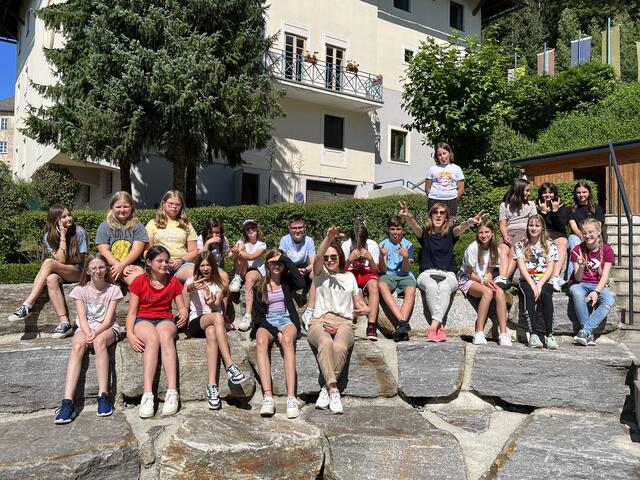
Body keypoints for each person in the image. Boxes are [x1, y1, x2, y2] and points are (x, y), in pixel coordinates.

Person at [54, 254, 124, 424]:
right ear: (87, 271)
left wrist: (96, 333)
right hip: (85, 328)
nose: (98, 271)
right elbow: (82, 317)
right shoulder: (80, 290)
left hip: (107, 328)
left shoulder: (113, 290)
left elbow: (108, 320)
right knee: (77, 346)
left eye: (101, 267)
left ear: (106, 269)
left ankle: (103, 395)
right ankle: (67, 402)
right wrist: (87, 333)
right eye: (94, 268)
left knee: (99, 342)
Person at [401, 201, 486, 342]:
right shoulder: (424, 233)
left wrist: (470, 222)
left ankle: (433, 327)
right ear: (431, 216)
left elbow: (460, 228)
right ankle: (439, 327)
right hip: (427, 274)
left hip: (448, 274)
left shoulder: (451, 233)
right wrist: (408, 217)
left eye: (442, 213)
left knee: (445, 287)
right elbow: (415, 226)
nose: (438, 215)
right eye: (435, 212)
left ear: (446, 217)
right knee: (431, 286)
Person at [307, 226, 370, 414]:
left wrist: (365, 309)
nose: (329, 260)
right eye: (327, 257)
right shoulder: (321, 274)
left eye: (333, 257)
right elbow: (318, 257)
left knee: (340, 347)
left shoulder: (349, 277)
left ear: (340, 257)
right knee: (326, 343)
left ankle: (326, 388)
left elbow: (359, 302)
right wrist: (328, 238)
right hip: (320, 321)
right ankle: (334, 390)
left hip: (344, 322)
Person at [126, 245, 188, 418]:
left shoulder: (172, 281)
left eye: (166, 261)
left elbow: (182, 307)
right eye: (160, 261)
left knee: (165, 336)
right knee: (152, 339)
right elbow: (132, 312)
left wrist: (184, 313)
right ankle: (147, 395)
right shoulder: (139, 281)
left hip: (165, 319)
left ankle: (172, 392)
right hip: (143, 319)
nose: (164, 264)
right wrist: (130, 334)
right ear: (149, 262)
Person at [8, 204, 88, 338]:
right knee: (51, 279)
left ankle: (27, 304)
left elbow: (77, 259)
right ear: (55, 220)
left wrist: (63, 236)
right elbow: (61, 260)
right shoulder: (48, 236)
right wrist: (62, 236)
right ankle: (65, 323)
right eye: (64, 217)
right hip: (63, 272)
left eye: (69, 215)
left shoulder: (79, 231)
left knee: (48, 262)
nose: (69, 218)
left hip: (78, 271)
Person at [185, 251, 246, 410]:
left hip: (211, 325)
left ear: (213, 266)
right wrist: (192, 288)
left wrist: (210, 301)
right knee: (217, 317)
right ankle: (230, 365)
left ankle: (212, 387)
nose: (205, 268)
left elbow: (216, 304)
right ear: (198, 267)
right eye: (202, 265)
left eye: (208, 265)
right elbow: (188, 291)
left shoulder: (218, 284)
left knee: (212, 332)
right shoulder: (192, 281)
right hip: (196, 323)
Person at [252, 249, 305, 418]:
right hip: (268, 321)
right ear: (267, 265)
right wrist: (276, 332)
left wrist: (284, 259)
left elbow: (302, 283)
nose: (277, 266)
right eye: (273, 263)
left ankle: (291, 397)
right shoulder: (260, 286)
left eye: (280, 263)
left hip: (286, 319)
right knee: (261, 340)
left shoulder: (287, 281)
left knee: (287, 340)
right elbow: (258, 317)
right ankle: (268, 397)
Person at [458, 219, 511, 346]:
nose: (484, 235)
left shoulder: (495, 250)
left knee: (500, 293)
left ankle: (503, 333)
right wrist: (483, 281)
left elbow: (489, 271)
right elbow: (470, 273)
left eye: (487, 232)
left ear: (492, 233)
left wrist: (489, 281)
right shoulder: (473, 248)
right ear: (477, 234)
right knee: (488, 292)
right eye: (480, 232)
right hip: (468, 279)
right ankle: (479, 332)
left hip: (483, 279)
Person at [514, 215, 558, 349]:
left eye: (537, 226)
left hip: (544, 279)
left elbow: (550, 268)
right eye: (531, 225)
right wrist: (533, 284)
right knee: (529, 294)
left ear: (542, 228)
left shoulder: (551, 245)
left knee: (546, 294)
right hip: (527, 279)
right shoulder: (520, 245)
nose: (533, 228)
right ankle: (533, 334)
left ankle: (549, 334)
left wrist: (539, 284)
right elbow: (522, 267)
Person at [569, 218, 616, 346]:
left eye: (590, 232)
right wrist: (581, 265)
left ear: (599, 232)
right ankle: (588, 334)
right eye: (584, 233)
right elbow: (578, 278)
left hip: (598, 284)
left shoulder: (607, 250)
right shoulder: (578, 250)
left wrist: (596, 291)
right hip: (580, 284)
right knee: (577, 293)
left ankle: (585, 331)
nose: (587, 235)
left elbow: (605, 276)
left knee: (609, 300)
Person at [377, 215, 417, 342]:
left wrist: (405, 257)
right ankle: (403, 322)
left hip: (405, 275)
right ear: (388, 230)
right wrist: (381, 257)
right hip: (388, 274)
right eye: (392, 229)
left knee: (411, 290)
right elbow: (382, 270)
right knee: (381, 285)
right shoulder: (383, 244)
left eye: (398, 229)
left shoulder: (408, 245)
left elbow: (405, 270)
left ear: (403, 230)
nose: (395, 232)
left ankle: (400, 327)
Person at [145, 190, 197, 283]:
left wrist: (181, 260)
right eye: (171, 203)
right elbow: (147, 250)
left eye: (178, 204)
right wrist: (160, 262)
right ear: (163, 204)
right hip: (159, 264)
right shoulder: (152, 224)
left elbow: (193, 251)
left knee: (194, 276)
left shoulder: (186, 225)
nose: (174, 206)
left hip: (181, 265)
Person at [96, 191, 147, 286]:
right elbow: (104, 251)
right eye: (118, 207)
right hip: (109, 264)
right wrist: (119, 266)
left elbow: (136, 250)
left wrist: (122, 265)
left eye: (126, 206)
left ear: (131, 207)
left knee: (139, 281)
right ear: (112, 207)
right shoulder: (104, 226)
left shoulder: (138, 226)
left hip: (132, 265)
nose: (122, 210)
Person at [495, 179, 537, 287]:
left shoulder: (531, 204)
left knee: (513, 252)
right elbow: (502, 224)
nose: (529, 193)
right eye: (527, 190)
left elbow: (534, 222)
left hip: (523, 231)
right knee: (502, 251)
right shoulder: (504, 205)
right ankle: (502, 278)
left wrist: (528, 235)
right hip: (508, 232)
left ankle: (504, 278)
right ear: (519, 190)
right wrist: (505, 236)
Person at [341, 226, 381, 341]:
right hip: (351, 271)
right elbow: (341, 270)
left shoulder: (372, 245)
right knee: (344, 282)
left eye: (361, 244)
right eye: (355, 243)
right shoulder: (345, 246)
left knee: (374, 285)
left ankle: (371, 326)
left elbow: (375, 271)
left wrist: (370, 259)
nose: (358, 246)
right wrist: (349, 259)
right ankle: (345, 322)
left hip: (366, 272)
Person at [278, 214, 317, 327]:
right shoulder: (284, 240)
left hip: (304, 269)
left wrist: (305, 270)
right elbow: (282, 261)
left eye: (300, 227)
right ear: (289, 228)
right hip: (289, 270)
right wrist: (293, 271)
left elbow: (313, 263)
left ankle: (310, 311)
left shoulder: (309, 241)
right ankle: (288, 313)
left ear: (305, 228)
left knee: (316, 273)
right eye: (294, 228)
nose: (297, 230)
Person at [229, 219, 266, 332]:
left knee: (249, 279)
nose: (250, 230)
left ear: (257, 229)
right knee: (240, 244)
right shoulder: (242, 244)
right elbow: (231, 257)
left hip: (255, 270)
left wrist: (238, 253)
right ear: (245, 232)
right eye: (247, 229)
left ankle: (248, 316)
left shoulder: (262, 244)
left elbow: (252, 257)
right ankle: (237, 278)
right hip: (242, 269)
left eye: (252, 228)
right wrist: (233, 253)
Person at [567, 181, 605, 280]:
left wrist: (590, 237)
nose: (581, 195)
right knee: (575, 246)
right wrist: (583, 236)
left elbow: (598, 226)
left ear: (589, 193)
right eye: (578, 192)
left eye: (584, 192)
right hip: (577, 235)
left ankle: (599, 277)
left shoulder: (596, 208)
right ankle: (571, 279)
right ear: (575, 194)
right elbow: (574, 227)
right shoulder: (571, 209)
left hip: (593, 235)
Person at [536, 183, 569, 291]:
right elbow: (538, 225)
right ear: (541, 194)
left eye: (550, 192)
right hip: (543, 232)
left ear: (554, 193)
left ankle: (555, 276)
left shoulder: (561, 206)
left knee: (563, 242)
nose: (547, 195)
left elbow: (560, 226)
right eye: (544, 192)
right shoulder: (537, 206)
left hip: (558, 232)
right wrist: (543, 213)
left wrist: (555, 211)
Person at [197, 217, 231, 320]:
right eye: (211, 233)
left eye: (217, 233)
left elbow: (226, 255)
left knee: (224, 278)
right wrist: (208, 243)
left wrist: (233, 254)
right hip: (205, 266)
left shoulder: (223, 240)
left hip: (217, 267)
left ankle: (224, 313)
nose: (215, 235)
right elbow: (201, 257)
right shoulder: (201, 238)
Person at [424, 142, 465, 218]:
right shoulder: (432, 169)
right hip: (434, 200)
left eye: (444, 153)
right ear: (437, 157)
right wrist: (433, 196)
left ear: (449, 153)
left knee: (450, 223)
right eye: (439, 155)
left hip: (451, 201)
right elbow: (427, 188)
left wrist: (454, 199)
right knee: (434, 222)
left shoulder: (457, 169)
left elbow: (461, 188)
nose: (442, 156)